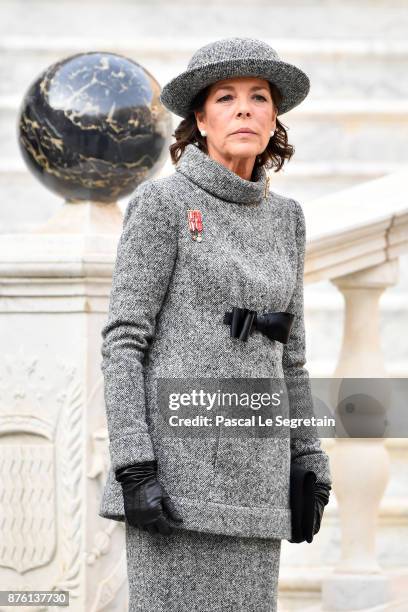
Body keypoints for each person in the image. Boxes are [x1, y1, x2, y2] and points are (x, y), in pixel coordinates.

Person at [99, 36, 332, 612]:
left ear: (274, 117)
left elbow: (292, 355)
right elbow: (124, 341)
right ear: (200, 119)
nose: (245, 109)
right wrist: (135, 466)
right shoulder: (163, 205)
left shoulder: (287, 218)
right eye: (225, 97)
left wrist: (309, 460)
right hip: (173, 480)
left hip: (257, 473)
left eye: (259, 97)